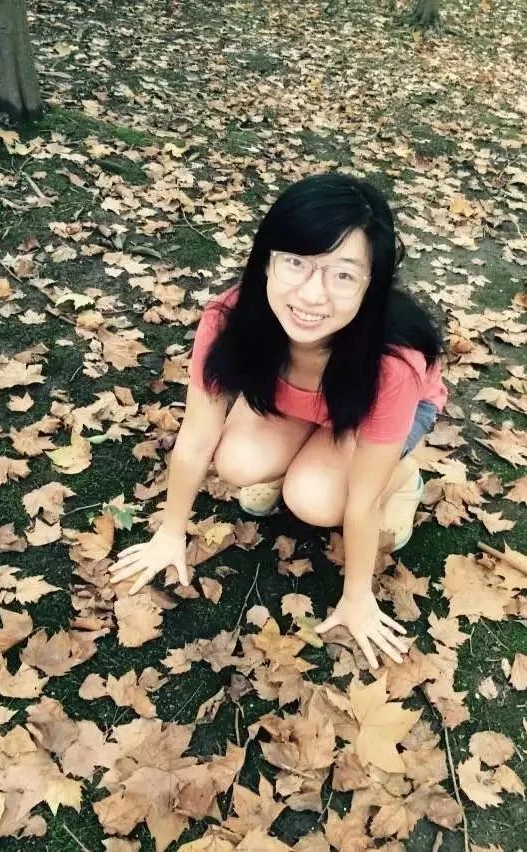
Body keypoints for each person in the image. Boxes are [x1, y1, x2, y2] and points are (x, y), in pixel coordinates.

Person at [109, 172, 448, 669]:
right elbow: (196, 439)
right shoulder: (230, 318)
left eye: (343, 275)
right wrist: (170, 532)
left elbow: (361, 500)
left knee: (317, 499)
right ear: (266, 259)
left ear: (371, 285)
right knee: (237, 462)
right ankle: (306, 450)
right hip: (298, 403)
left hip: (370, 412)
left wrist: (356, 597)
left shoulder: (392, 365)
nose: (312, 296)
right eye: (296, 263)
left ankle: (404, 479)